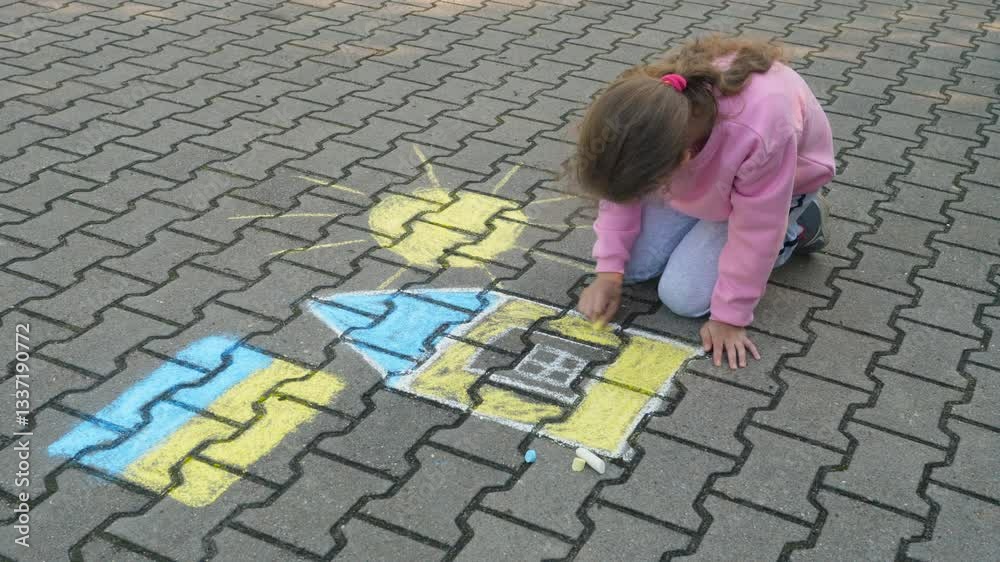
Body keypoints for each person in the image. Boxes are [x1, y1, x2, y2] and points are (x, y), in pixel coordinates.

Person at [567, 34, 835, 369]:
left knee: (684, 297)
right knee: (632, 267)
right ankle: (703, 211)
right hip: (709, 177)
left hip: (779, 187)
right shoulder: (645, 113)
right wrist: (609, 272)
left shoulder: (761, 131)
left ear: (682, 161)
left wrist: (730, 317)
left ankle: (800, 224)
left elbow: (757, 230)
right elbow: (621, 189)